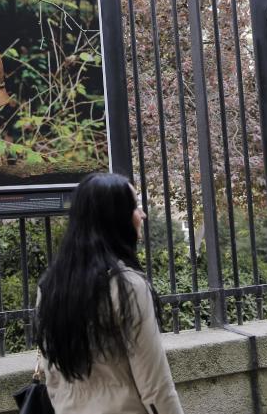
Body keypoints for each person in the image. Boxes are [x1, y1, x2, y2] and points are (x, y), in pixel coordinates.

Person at [36, 172, 184, 414]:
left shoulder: (50, 287)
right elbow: (155, 385)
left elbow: (52, 374)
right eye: (135, 206)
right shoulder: (128, 286)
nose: (142, 214)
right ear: (115, 218)